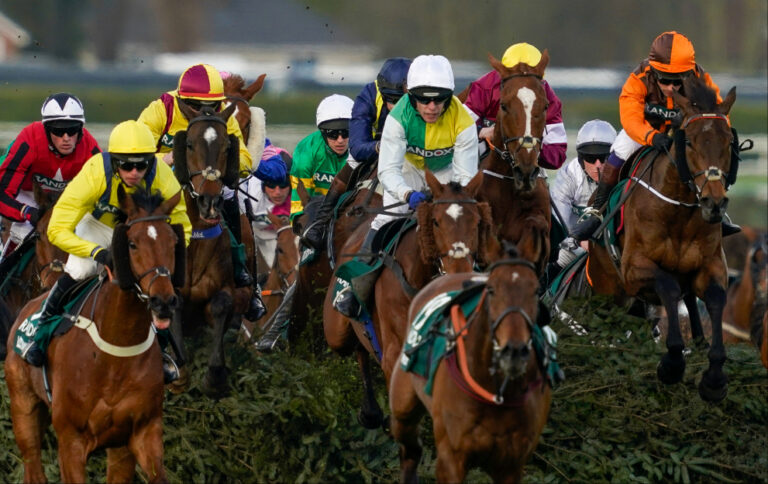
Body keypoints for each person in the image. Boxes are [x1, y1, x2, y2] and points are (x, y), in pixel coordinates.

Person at [20, 121, 191, 382]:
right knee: (80, 270)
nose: (134, 172)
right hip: (98, 228)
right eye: (126, 165)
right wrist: (96, 252)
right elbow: (57, 229)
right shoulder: (95, 172)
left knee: (156, 283)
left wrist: (164, 256)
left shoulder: (163, 176)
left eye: (141, 165)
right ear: (114, 160)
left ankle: (162, 350)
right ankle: (40, 333)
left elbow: (182, 225)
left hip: (141, 233)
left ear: (151, 161)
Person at [333, 54, 479, 317]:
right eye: (424, 99)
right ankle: (354, 288)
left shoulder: (465, 120)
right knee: (385, 221)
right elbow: (388, 169)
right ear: (411, 97)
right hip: (408, 169)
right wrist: (407, 194)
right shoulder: (398, 118)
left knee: (461, 222)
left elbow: (466, 176)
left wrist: (448, 200)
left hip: (447, 173)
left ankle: (481, 281)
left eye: (439, 99)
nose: (432, 106)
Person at [571, 31, 740, 240]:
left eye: (677, 81)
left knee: (715, 152)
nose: (671, 87)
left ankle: (719, 207)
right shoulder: (638, 78)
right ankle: (596, 211)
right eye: (665, 80)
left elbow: (717, 116)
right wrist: (651, 136)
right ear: (654, 71)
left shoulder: (700, 78)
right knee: (619, 152)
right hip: (645, 129)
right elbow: (630, 117)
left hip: (685, 131)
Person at [137, 63, 265, 320]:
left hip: (207, 180)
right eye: (195, 105)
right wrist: (171, 159)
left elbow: (244, 159)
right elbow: (136, 151)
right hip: (165, 178)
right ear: (183, 99)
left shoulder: (223, 115)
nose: (203, 112)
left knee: (234, 202)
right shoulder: (160, 109)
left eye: (211, 106)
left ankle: (244, 276)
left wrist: (220, 165)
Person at [302, 58, 412, 250]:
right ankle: (319, 225)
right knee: (348, 167)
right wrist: (381, 146)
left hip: (413, 149)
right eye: (391, 100)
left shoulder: (424, 98)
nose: (397, 107)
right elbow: (358, 148)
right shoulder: (368, 95)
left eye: (402, 101)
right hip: (375, 145)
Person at [0, 93, 101, 269]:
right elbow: (2, 194)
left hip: (64, 200)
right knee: (22, 230)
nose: (66, 138)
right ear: (46, 130)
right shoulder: (30, 139)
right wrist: (26, 212)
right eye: (58, 131)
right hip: (25, 194)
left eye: (72, 130)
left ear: (81, 129)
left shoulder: (90, 149)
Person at [462, 43, 567, 169]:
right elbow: (455, 130)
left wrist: (531, 148)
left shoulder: (549, 98)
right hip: (484, 154)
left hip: (528, 160)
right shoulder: (485, 87)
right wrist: (479, 131)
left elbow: (557, 155)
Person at [547, 119, 617, 282]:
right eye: (590, 158)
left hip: (612, 246)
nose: (598, 165)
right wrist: (580, 243)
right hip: (575, 247)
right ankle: (546, 300)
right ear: (580, 158)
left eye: (603, 157)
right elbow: (560, 223)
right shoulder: (569, 175)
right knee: (553, 260)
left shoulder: (623, 174)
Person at [289, 94, 354, 224]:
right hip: (317, 211)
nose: (340, 140)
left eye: (346, 132)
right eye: (333, 134)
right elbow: (300, 203)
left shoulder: (365, 145)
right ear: (322, 132)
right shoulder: (306, 151)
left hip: (353, 210)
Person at [239, 151, 291, 267]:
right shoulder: (252, 195)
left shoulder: (297, 195)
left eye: (283, 185)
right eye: (271, 185)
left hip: (274, 235)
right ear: (263, 185)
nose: (277, 192)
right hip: (253, 230)